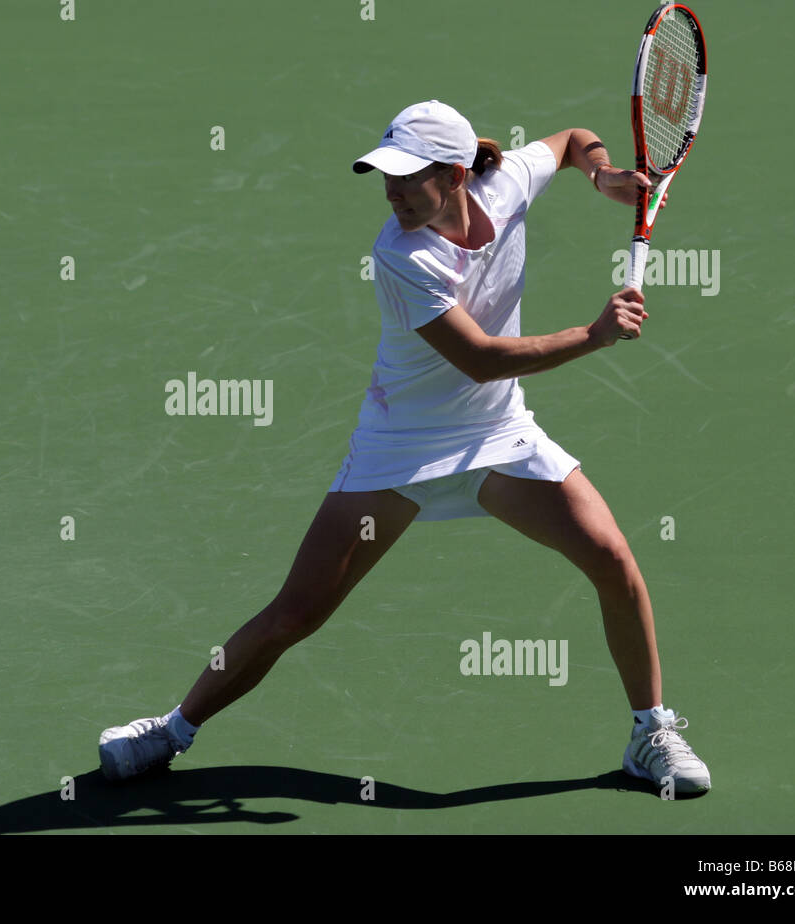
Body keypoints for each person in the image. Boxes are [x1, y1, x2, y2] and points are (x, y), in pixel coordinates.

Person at [98, 99, 710, 795]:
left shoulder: (505, 186)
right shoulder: (399, 254)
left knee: (612, 559)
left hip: (497, 437)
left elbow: (572, 140)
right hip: (400, 450)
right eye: (383, 177)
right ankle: (171, 730)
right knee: (298, 612)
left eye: (405, 177)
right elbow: (479, 359)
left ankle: (650, 731)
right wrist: (593, 336)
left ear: (453, 175)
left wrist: (600, 173)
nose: (390, 192)